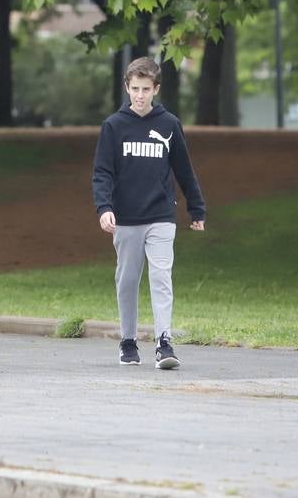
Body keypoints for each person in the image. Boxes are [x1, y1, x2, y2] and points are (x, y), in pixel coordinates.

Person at [92, 56, 206, 370]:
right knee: (127, 280)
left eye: (146, 89)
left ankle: (164, 342)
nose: (140, 95)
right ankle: (128, 341)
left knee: (160, 277)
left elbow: (184, 170)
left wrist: (196, 208)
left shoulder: (169, 124)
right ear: (127, 88)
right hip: (126, 217)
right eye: (135, 89)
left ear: (156, 88)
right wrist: (104, 208)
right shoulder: (114, 126)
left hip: (160, 215)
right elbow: (102, 172)